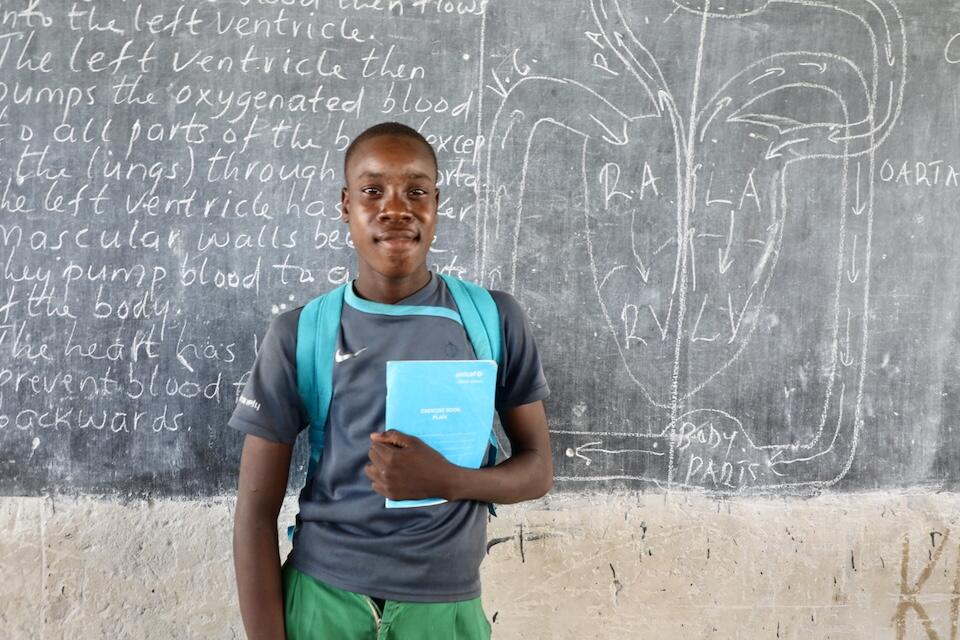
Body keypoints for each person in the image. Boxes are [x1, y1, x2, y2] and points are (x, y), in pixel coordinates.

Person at [230, 122, 553, 639]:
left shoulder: (492, 320)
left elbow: (537, 470)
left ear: (436, 204)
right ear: (345, 205)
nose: (395, 207)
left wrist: (447, 480)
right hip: (321, 604)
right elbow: (254, 509)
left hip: (443, 614)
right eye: (372, 190)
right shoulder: (301, 333)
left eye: (416, 191)